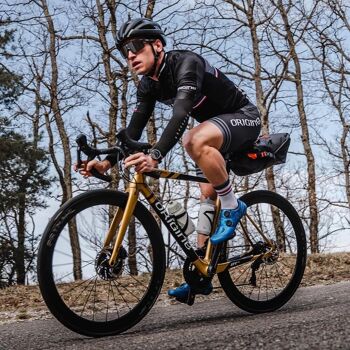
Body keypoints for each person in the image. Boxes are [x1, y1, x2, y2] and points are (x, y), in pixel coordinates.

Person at [77, 18, 261, 300]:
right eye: (124, 51)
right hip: (215, 131)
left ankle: (233, 206)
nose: (130, 55)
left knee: (192, 138)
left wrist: (155, 155)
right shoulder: (148, 85)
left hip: (244, 118)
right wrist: (107, 162)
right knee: (206, 193)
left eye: (136, 47)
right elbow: (133, 132)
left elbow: (180, 113)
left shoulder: (186, 63)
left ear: (158, 45)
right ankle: (202, 270)